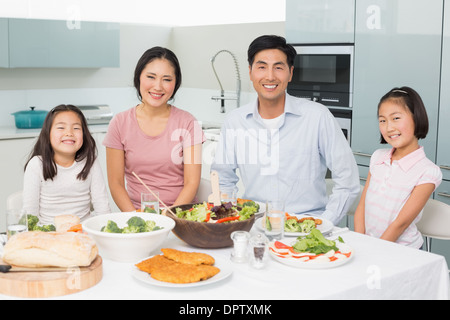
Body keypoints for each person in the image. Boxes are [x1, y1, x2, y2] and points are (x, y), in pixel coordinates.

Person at [211, 35, 360, 225]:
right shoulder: (235, 121)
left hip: (306, 224)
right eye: (262, 67)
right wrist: (230, 218)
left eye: (278, 67)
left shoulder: (318, 117)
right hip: (255, 224)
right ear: (250, 72)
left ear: (290, 73)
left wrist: (324, 223)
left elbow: (348, 182)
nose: (270, 76)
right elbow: (223, 179)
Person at [103, 47, 204, 211]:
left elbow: (192, 183)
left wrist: (169, 218)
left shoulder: (188, 123)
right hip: (137, 213)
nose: (158, 86)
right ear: (139, 78)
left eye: (166, 79)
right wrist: (136, 219)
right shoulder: (119, 123)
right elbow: (116, 183)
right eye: (151, 77)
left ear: (175, 83)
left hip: (180, 214)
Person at [354, 87, 442, 248]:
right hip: (369, 246)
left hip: (402, 251)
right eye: (382, 120)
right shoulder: (378, 157)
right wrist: (361, 243)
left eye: (396, 118)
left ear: (416, 118)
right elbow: (362, 205)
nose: (389, 127)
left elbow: (400, 224)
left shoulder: (428, 171)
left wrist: (373, 250)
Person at [23, 104, 111, 225]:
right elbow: (30, 215)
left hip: (83, 233)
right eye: (61, 128)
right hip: (48, 234)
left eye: (76, 128)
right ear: (47, 134)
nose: (69, 133)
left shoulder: (90, 162)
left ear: (84, 135)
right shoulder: (36, 164)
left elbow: (102, 207)